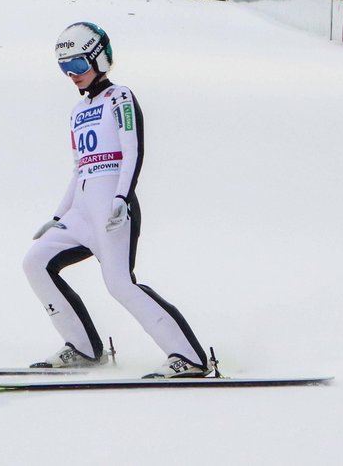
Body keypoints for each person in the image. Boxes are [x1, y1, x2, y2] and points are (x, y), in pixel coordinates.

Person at [23, 22, 211, 378]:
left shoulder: (119, 97)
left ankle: (189, 357)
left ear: (100, 59)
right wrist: (59, 215)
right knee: (35, 261)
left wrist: (122, 196)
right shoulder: (77, 112)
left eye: (78, 65)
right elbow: (79, 168)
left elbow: (132, 148)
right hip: (80, 213)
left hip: (112, 209)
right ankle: (82, 348)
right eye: (64, 68)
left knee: (120, 285)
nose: (72, 75)